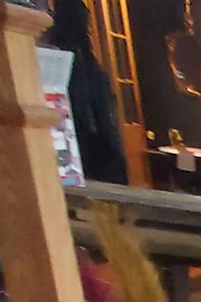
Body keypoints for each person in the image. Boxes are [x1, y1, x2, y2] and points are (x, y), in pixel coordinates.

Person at [46, 0, 129, 185]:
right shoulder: (83, 62)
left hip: (77, 138)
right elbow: (100, 113)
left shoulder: (62, 57)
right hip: (91, 140)